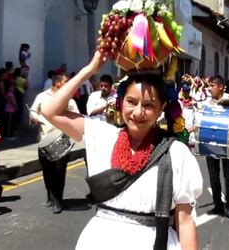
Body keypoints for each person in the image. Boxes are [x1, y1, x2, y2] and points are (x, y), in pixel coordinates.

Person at [41, 52, 202, 249]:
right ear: (120, 102)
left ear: (162, 108)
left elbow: (185, 223)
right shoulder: (102, 135)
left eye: (149, 105)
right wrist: (89, 69)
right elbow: (50, 111)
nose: (138, 112)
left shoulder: (176, 153)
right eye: (131, 102)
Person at [30, 74, 79, 214]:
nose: (68, 84)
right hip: (44, 139)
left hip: (61, 139)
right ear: (57, 83)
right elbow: (34, 110)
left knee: (59, 171)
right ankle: (50, 194)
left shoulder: (69, 99)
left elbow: (77, 116)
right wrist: (33, 117)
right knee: (47, 170)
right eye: (66, 81)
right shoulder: (42, 97)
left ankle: (58, 200)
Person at [201, 75, 229, 217]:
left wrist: (228, 100)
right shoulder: (207, 103)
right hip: (211, 143)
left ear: (220, 87)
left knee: (228, 176)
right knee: (213, 176)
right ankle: (217, 205)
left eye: (212, 86)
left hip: (228, 143)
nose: (209, 88)